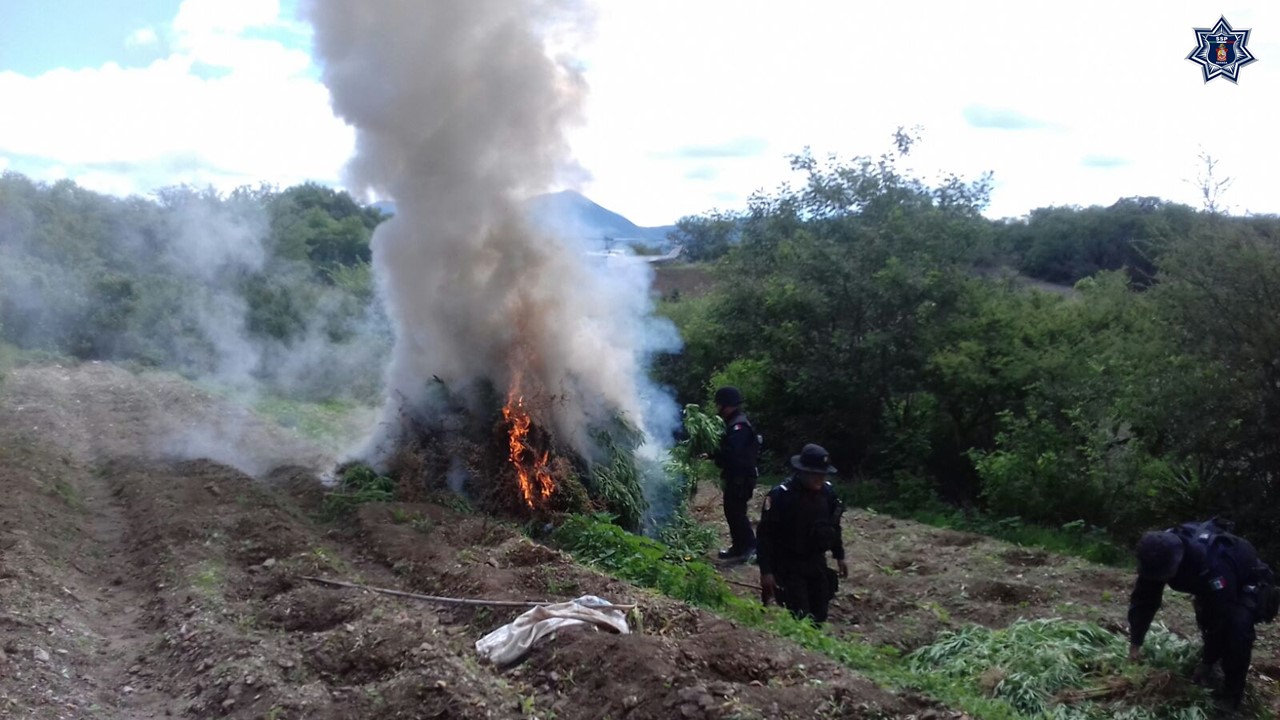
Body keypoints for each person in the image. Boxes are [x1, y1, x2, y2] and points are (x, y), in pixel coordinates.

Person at [1127, 519, 1276, 711]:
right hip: (1212, 587)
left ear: (1178, 560)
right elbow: (1143, 600)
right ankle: (1214, 660)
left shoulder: (1213, 565)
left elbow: (1221, 617)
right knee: (1208, 617)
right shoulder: (1158, 553)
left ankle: (1231, 696)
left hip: (1248, 581)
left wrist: (1206, 662)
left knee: (1236, 627)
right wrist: (1135, 644)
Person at [756, 443, 849, 624]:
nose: (820, 478)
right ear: (803, 471)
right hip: (789, 564)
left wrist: (839, 555)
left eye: (823, 474)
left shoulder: (827, 494)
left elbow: (833, 527)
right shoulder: (781, 496)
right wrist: (766, 572)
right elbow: (765, 536)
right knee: (800, 616)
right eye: (815, 474)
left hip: (816, 562)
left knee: (820, 614)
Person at [711, 386, 760, 561]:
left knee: (737, 512)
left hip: (742, 476)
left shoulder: (739, 425)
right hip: (735, 476)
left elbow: (733, 452)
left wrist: (715, 453)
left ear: (727, 405)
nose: (718, 408)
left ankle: (750, 547)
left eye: (720, 405)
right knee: (731, 511)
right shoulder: (732, 423)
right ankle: (739, 546)